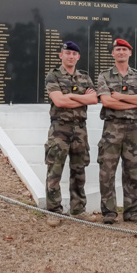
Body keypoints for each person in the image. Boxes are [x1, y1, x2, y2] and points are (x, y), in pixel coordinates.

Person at [43, 41, 99, 226]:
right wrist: (81, 98)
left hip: (80, 129)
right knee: (55, 170)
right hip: (60, 129)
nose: (70, 56)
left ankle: (78, 209)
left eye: (74, 54)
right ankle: (54, 211)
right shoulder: (54, 75)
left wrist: (71, 97)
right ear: (61, 55)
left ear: (78, 57)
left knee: (79, 170)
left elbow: (94, 99)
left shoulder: (84, 76)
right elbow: (59, 101)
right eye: (67, 53)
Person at [96, 38, 137, 225]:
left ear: (130, 53)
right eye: (117, 49)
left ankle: (132, 212)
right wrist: (132, 100)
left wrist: (120, 96)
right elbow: (107, 101)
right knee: (107, 172)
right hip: (112, 128)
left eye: (124, 49)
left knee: (132, 171)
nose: (121, 52)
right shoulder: (104, 76)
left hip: (132, 130)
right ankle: (109, 212)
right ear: (112, 53)